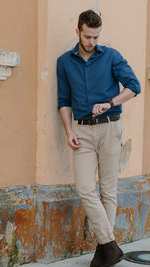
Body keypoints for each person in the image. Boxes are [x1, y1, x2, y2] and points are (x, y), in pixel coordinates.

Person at [57, 9, 141, 267]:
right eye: (87, 36)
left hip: (109, 127)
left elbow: (134, 86)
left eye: (95, 37)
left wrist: (110, 102)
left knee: (108, 191)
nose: (91, 42)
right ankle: (110, 244)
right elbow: (63, 101)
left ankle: (104, 251)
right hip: (80, 130)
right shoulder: (64, 62)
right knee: (84, 188)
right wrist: (69, 131)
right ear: (78, 32)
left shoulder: (111, 56)